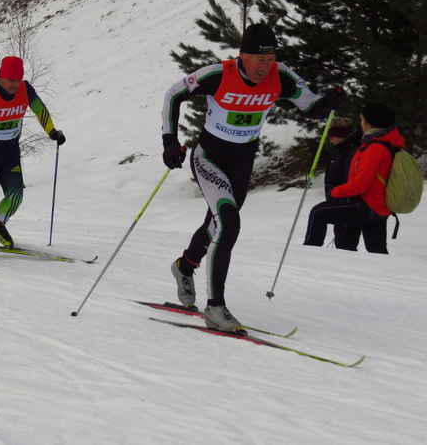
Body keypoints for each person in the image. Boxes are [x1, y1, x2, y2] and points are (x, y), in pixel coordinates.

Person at [160, 23, 345, 334]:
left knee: (216, 225)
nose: (265, 66)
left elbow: (313, 107)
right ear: (242, 55)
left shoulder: (281, 76)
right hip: (209, 158)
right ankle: (215, 307)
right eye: (260, 59)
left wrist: (329, 102)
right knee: (228, 223)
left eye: (270, 59)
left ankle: (184, 266)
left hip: (242, 161)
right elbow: (173, 94)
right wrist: (169, 140)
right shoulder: (218, 74)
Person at [0, 56, 66, 256]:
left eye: (18, 80)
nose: (15, 85)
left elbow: (40, 110)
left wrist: (52, 131)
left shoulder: (26, 89)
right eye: (10, 80)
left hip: (9, 152)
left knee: (16, 196)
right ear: (0, 76)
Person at [303, 102, 404, 254]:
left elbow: (360, 183)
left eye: (362, 119)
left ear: (369, 123)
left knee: (318, 212)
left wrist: (336, 192)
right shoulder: (387, 142)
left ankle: (307, 256)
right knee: (376, 250)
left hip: (368, 203)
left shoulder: (375, 147)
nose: (360, 123)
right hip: (379, 204)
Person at [321, 116, 365, 251]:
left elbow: (351, 180)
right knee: (343, 244)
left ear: (342, 135)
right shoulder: (343, 150)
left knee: (346, 246)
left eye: (333, 136)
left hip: (347, 204)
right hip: (339, 203)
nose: (330, 140)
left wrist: (341, 199)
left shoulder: (351, 152)